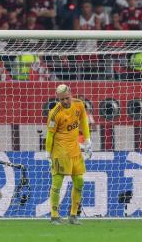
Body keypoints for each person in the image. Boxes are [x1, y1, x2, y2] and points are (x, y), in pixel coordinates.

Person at [45, 84, 92, 225]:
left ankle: (73, 215)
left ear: (71, 94)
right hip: (60, 152)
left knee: (79, 182)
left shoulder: (79, 104)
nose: (65, 101)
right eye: (61, 100)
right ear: (58, 99)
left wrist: (88, 139)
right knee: (57, 184)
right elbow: (49, 135)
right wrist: (48, 154)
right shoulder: (54, 114)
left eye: (66, 98)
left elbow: (83, 120)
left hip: (75, 150)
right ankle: (54, 216)